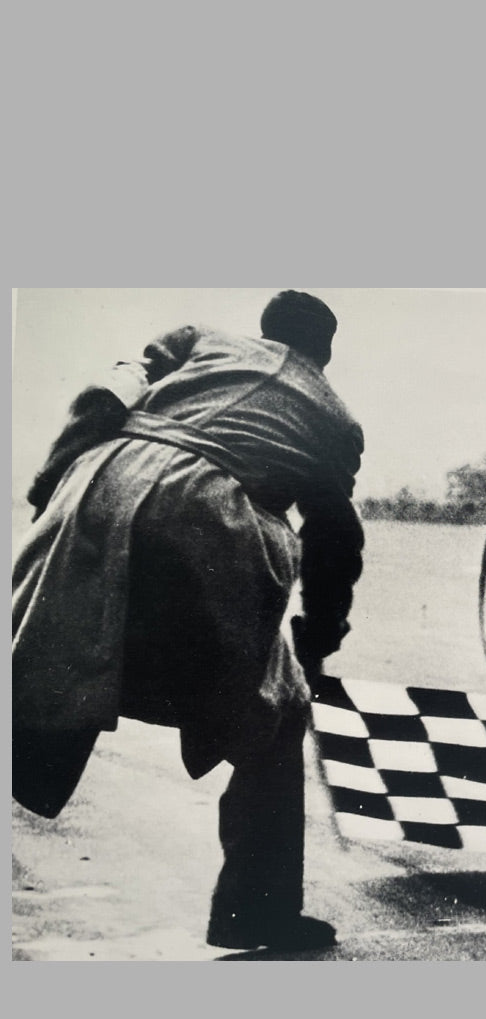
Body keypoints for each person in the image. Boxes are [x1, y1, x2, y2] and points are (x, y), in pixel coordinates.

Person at [12, 291, 364, 952]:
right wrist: (318, 637)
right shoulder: (336, 418)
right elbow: (335, 534)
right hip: (211, 521)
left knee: (28, 673)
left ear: (264, 331)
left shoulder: (197, 338)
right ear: (325, 352)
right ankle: (254, 914)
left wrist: (48, 489)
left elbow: (100, 402)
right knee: (278, 716)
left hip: (99, 487)